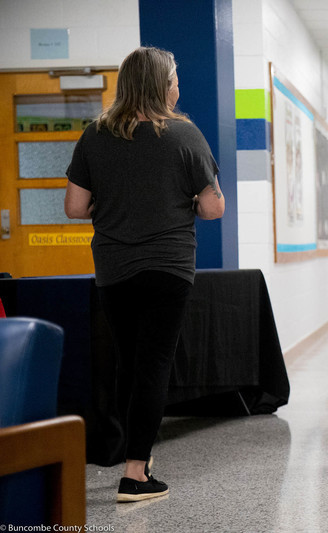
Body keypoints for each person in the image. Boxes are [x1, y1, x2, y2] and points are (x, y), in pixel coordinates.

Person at [64, 46, 225, 502]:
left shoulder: (95, 135)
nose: (178, 87)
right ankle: (136, 473)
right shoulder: (183, 135)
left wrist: (117, 204)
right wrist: (185, 202)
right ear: (159, 85)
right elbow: (213, 207)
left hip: (114, 269)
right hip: (168, 267)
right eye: (173, 79)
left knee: (128, 363)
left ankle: (133, 454)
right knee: (154, 365)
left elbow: (75, 207)